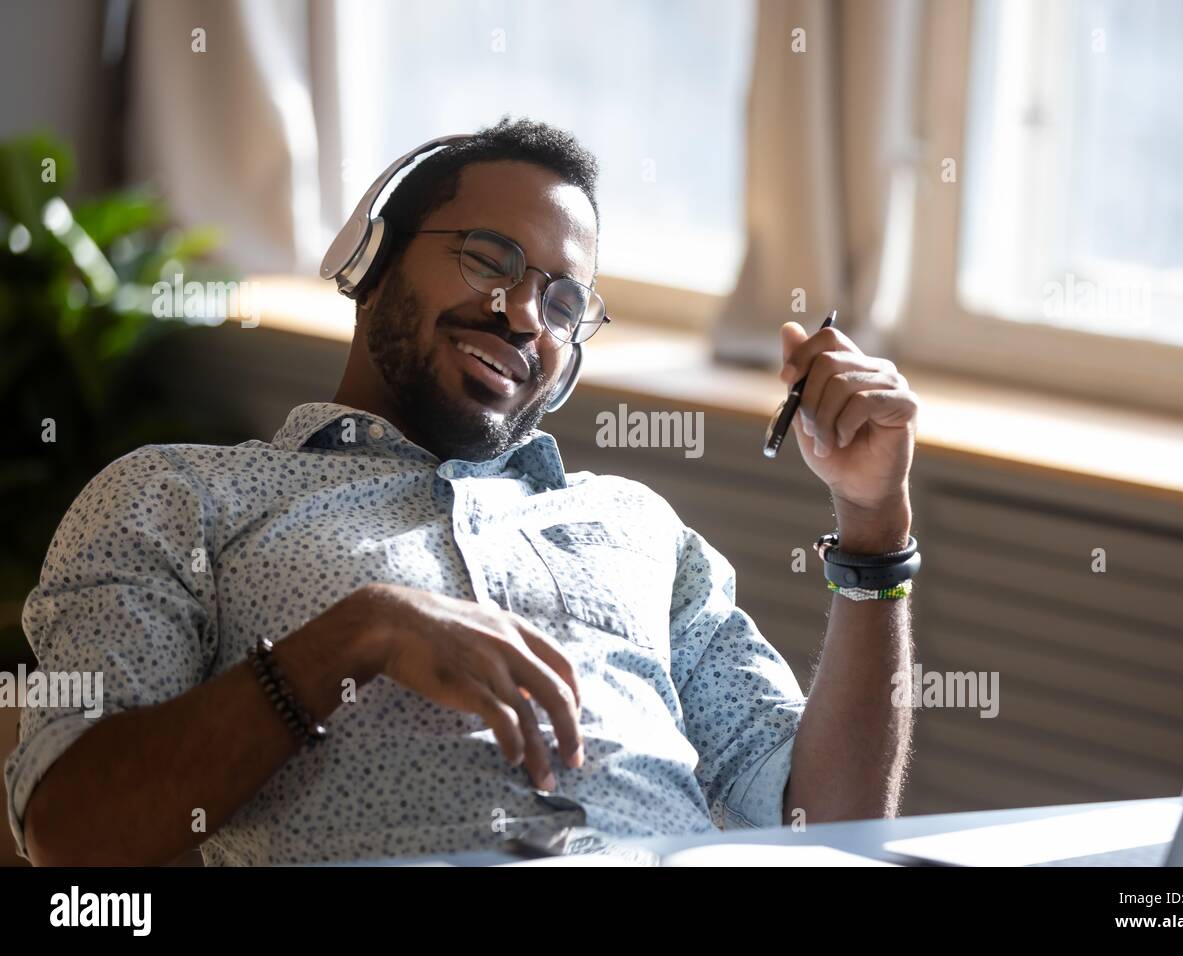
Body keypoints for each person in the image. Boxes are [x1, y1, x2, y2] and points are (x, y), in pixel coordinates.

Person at [6, 117, 920, 865]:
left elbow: (828, 826)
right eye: (489, 258)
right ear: (371, 268)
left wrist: (873, 524)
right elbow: (74, 836)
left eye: (565, 303)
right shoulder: (183, 496)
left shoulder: (637, 529)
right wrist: (353, 638)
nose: (525, 313)